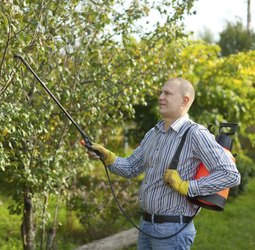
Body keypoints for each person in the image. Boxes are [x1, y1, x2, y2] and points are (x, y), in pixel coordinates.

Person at [88, 78, 240, 250]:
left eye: (167, 93)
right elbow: (130, 168)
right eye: (160, 92)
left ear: (185, 100)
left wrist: (186, 187)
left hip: (172, 231)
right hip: (146, 225)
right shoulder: (154, 133)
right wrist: (107, 156)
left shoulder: (196, 134)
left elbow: (231, 175)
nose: (160, 97)